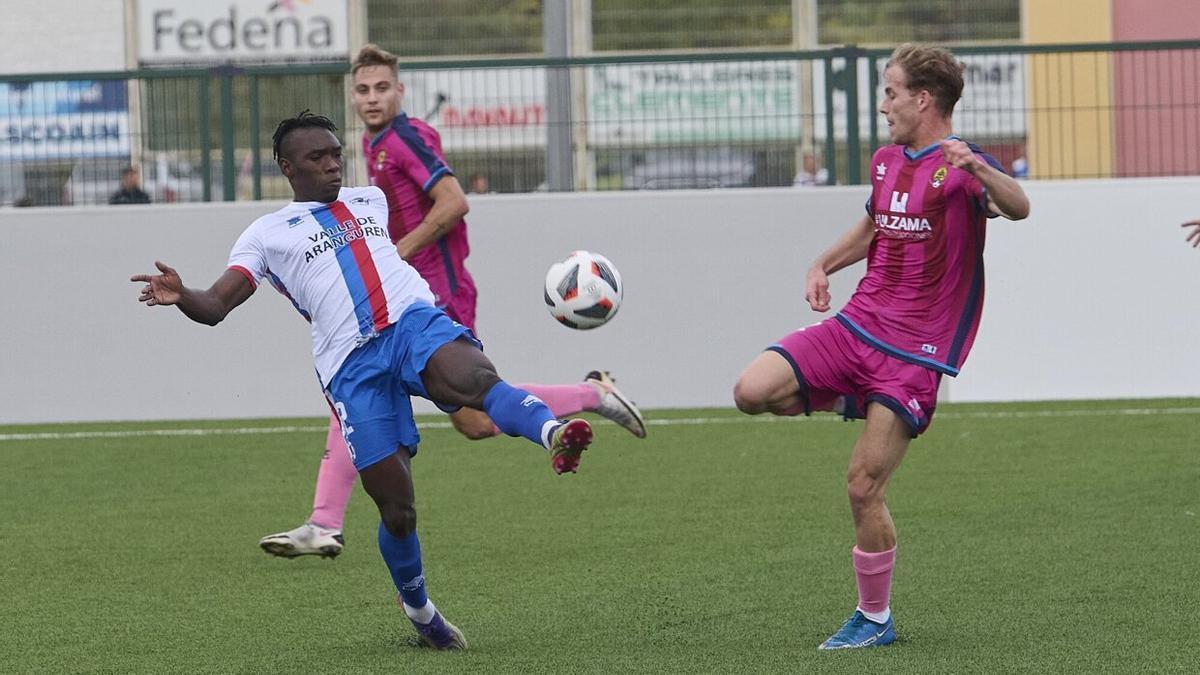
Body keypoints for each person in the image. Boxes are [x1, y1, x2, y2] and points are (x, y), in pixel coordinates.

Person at [132, 112, 598, 650]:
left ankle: (555, 434)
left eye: (336, 153)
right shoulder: (264, 235)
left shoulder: (368, 200)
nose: (332, 164)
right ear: (287, 167)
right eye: (317, 157)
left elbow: (426, 219)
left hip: (411, 321)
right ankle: (422, 614)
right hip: (350, 366)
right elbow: (215, 306)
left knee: (469, 379)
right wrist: (181, 292)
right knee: (397, 508)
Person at [256, 44, 646, 561]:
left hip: (431, 289)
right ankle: (325, 521)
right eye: (362, 89)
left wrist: (398, 252)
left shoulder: (405, 138)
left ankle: (324, 522)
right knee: (421, 405)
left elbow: (454, 202)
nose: (372, 98)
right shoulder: (373, 146)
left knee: (443, 409)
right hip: (401, 293)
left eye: (382, 88)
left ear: (401, 91)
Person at [732, 43, 1030, 650]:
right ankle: (853, 401)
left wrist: (978, 167)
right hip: (858, 324)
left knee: (863, 486)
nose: (883, 104)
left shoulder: (963, 167)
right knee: (750, 390)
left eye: (891, 92)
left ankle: (873, 619)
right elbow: (873, 225)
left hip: (917, 351)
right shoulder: (887, 160)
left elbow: (1019, 208)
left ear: (923, 99)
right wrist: (823, 264)